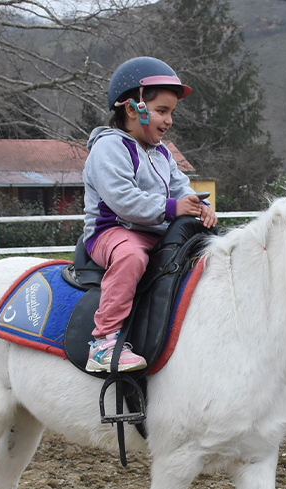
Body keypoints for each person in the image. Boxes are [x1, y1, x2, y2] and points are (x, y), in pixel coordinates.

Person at [81, 56, 217, 372]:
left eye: (171, 113)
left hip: (153, 231)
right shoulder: (109, 148)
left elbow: (181, 187)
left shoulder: (161, 152)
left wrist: (200, 207)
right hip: (112, 232)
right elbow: (123, 201)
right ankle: (104, 342)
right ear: (133, 109)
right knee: (131, 257)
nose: (169, 120)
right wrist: (172, 208)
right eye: (162, 111)